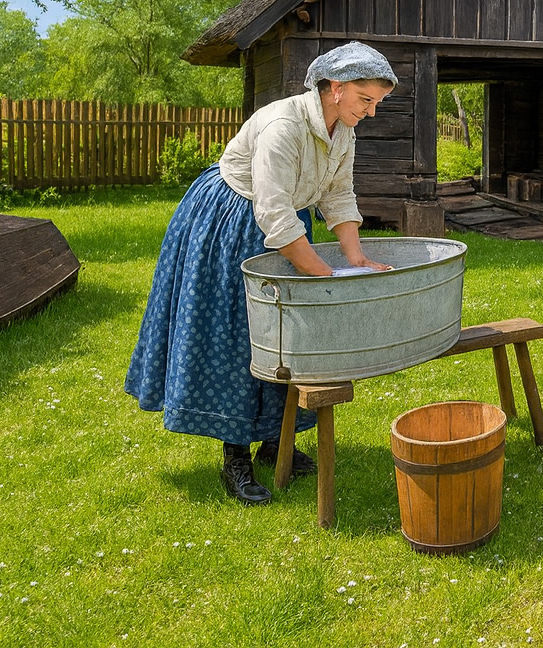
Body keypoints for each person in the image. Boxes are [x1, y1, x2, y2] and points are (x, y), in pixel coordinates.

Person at [126, 42, 398, 505]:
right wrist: (321, 275)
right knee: (242, 333)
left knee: (290, 331)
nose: (371, 113)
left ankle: (278, 440)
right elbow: (273, 214)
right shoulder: (282, 126)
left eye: (376, 103)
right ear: (334, 88)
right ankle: (235, 455)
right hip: (233, 220)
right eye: (365, 100)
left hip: (283, 221)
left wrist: (354, 258)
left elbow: (337, 194)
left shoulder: (342, 129)